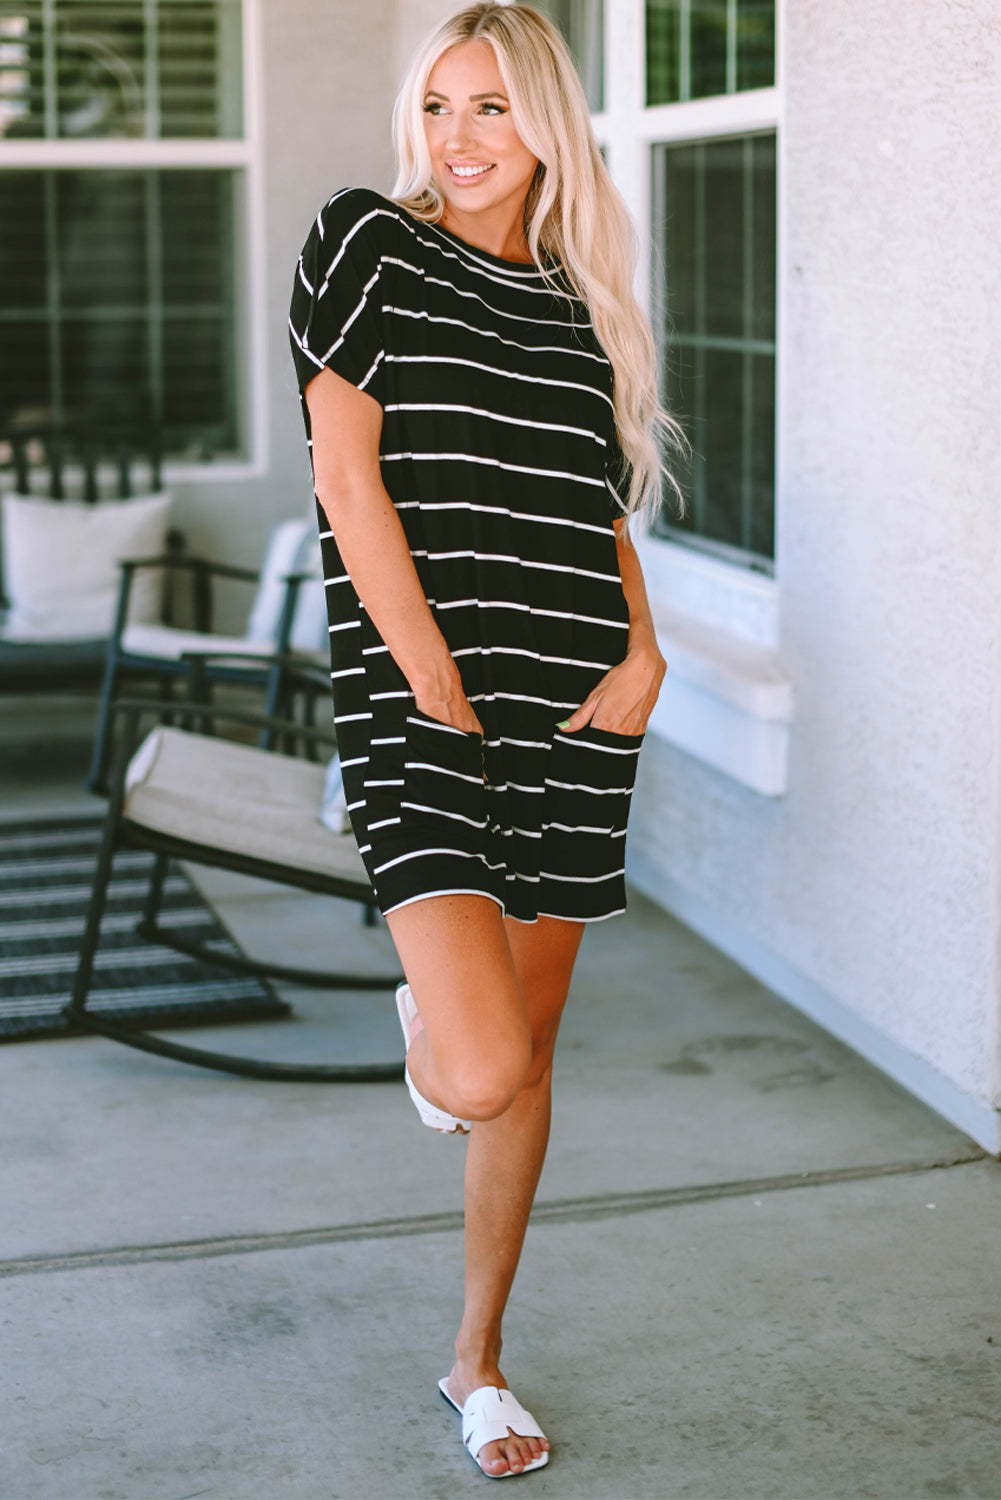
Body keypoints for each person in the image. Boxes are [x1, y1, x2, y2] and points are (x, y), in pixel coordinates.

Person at [289, 1, 678, 1479]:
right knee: (475, 1068)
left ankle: (477, 1364)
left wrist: (644, 649)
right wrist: (429, 672)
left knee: (530, 1060)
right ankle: (431, 1020)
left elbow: (595, 509)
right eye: (439, 106)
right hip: (421, 704)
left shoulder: (581, 302)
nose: (458, 139)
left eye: (492, 109)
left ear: (547, 128)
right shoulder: (366, 243)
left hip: (576, 709)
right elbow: (343, 475)